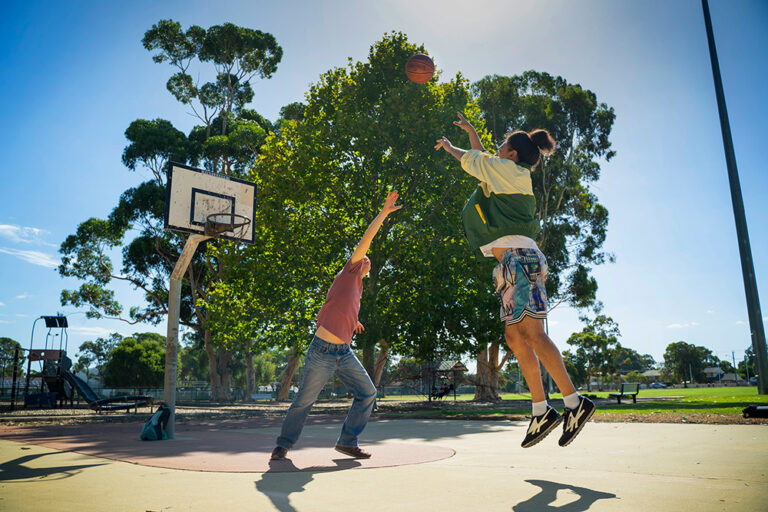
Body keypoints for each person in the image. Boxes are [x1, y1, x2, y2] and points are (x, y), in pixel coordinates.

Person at [435, 113, 595, 448]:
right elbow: (486, 161)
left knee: (532, 333)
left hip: (519, 260)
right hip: (510, 264)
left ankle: (574, 402)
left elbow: (474, 159)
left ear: (513, 154)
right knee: (514, 336)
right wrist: (473, 133)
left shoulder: (508, 171)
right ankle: (540, 410)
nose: (498, 147)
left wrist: (452, 147)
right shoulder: (507, 171)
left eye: (503, 144)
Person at [271, 190, 402, 460]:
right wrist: (384, 213)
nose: (365, 258)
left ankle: (347, 441)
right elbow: (367, 239)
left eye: (368, 260)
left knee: (368, 393)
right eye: (362, 257)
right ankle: (283, 445)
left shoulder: (357, 288)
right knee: (304, 401)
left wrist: (354, 322)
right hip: (321, 351)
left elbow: (342, 307)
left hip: (343, 352)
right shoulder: (349, 272)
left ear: (370, 269)